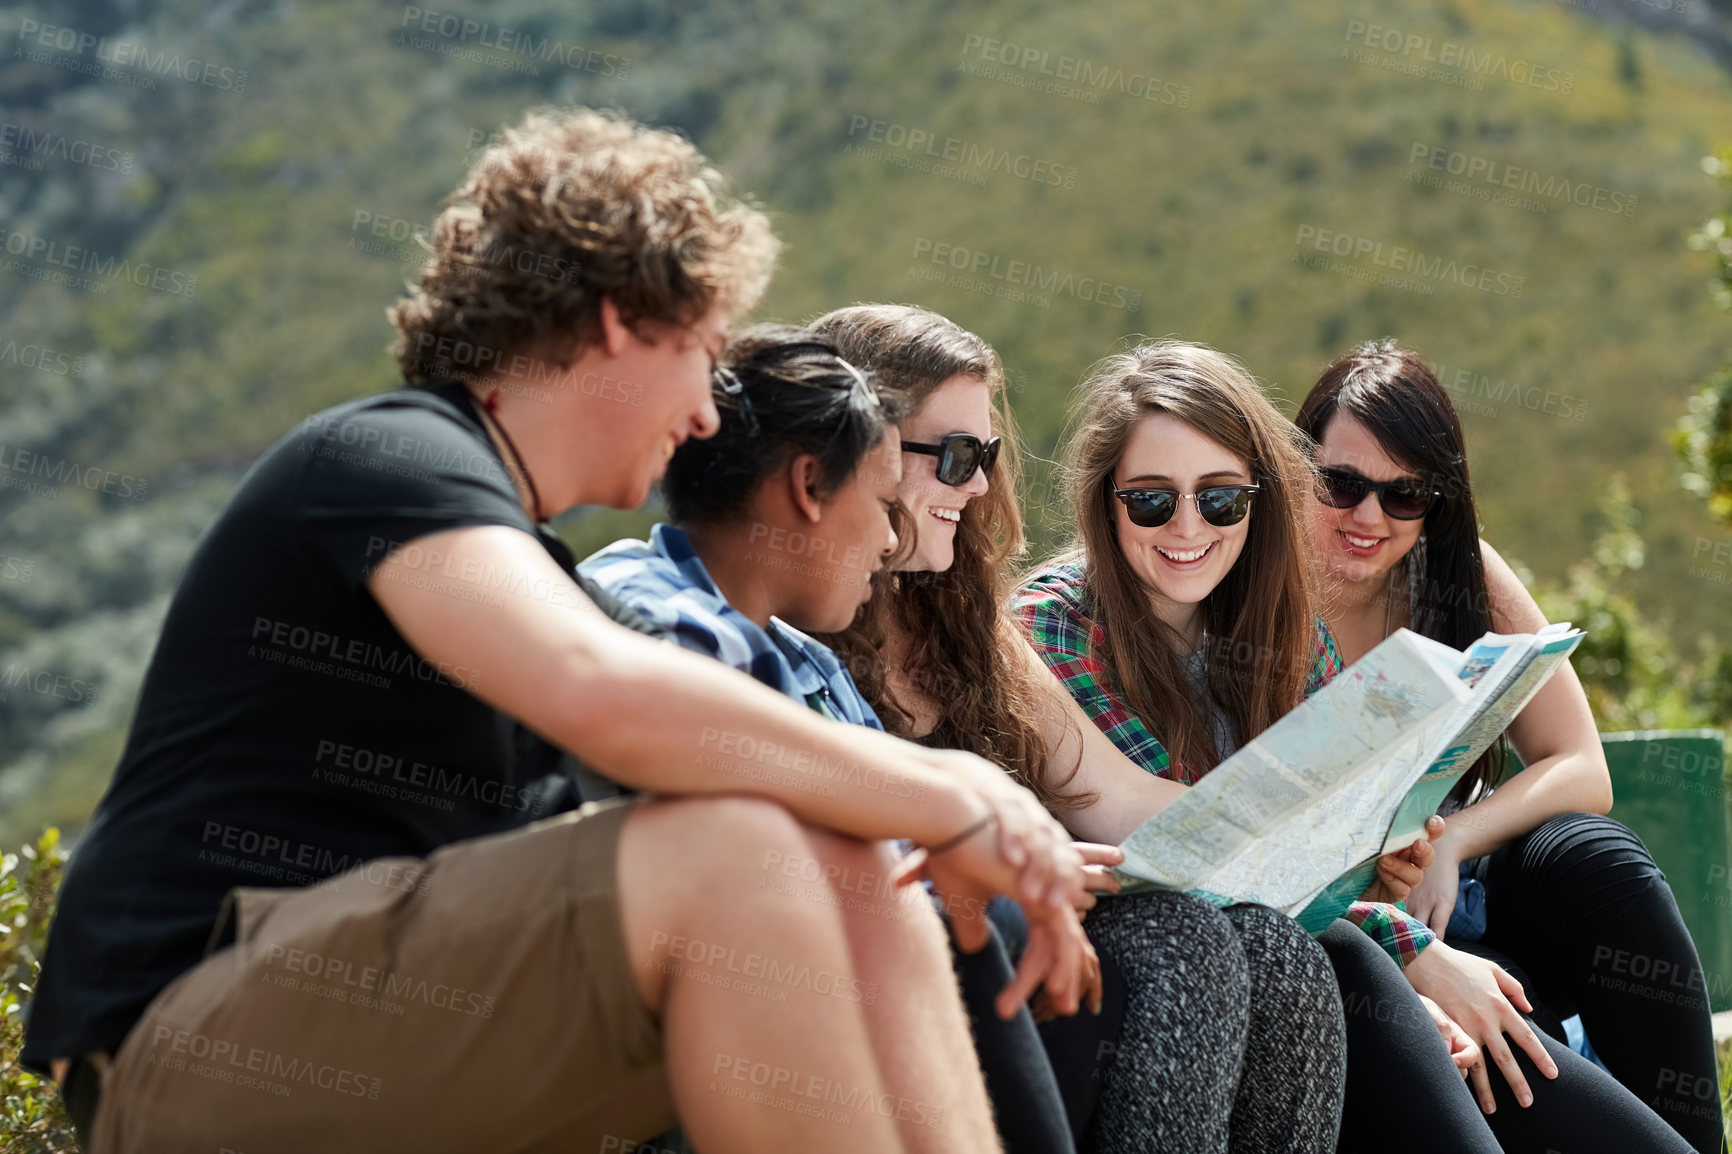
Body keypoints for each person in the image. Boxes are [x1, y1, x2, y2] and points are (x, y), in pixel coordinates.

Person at [19, 109, 1096, 1154]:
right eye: (704, 353)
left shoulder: (523, 552)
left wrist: (903, 828)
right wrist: (961, 796)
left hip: (373, 1009)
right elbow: (600, 690)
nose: (711, 414)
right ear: (624, 318)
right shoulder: (390, 455)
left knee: (854, 865)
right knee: (744, 854)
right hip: (188, 1035)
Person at [1010, 336, 1697, 1154]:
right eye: (1152, 501)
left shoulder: (1279, 618)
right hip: (1220, 963)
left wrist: (1394, 859)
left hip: (1334, 946)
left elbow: (1328, 853)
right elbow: (1202, 850)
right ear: (1104, 501)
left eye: (1221, 499)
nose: (1189, 526)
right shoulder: (1054, 626)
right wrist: (1417, 953)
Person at [809, 304, 1358, 1154]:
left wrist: (1349, 828)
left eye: (986, 456)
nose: (982, 486)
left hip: (1016, 950)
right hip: (907, 972)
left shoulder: (973, 628)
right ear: (857, 451)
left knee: (1279, 954)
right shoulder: (791, 631)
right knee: (1189, 944)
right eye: (955, 458)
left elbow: (1127, 800)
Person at [581, 323, 1088, 1154]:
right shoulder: (636, 602)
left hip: (836, 989)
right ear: (810, 487)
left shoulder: (810, 662)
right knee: (955, 927)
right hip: (702, 1020)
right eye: (882, 503)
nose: (890, 540)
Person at [1296, 338, 1724, 1154]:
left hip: (1453, 888)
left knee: (1598, 859)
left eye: (1405, 494)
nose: (1369, 517)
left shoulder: (1459, 577)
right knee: (1495, 1020)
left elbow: (1581, 767)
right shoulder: (1246, 593)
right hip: (1351, 929)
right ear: (1296, 466)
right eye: (1341, 484)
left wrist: (1455, 837)